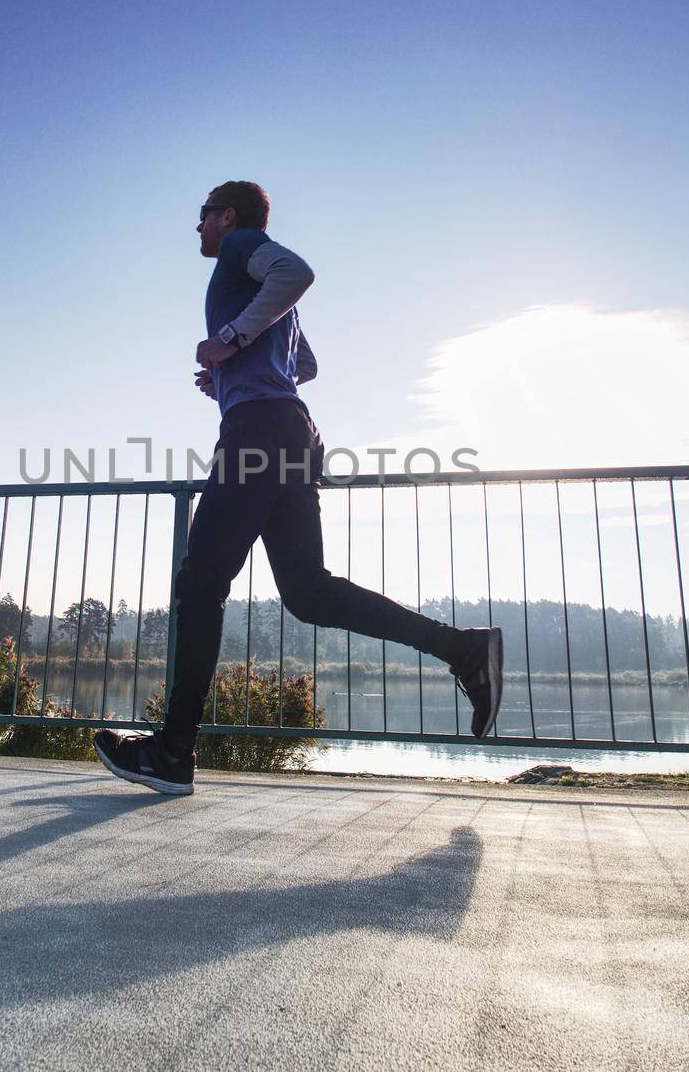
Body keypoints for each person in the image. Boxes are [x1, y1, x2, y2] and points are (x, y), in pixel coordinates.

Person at [94, 181, 502, 795]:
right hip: (290, 429)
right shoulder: (262, 291)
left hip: (259, 429)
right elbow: (303, 365)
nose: (198, 229)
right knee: (308, 593)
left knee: (202, 581)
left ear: (226, 216)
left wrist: (227, 343)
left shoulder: (242, 249)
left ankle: (172, 751)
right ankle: (463, 650)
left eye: (203, 217)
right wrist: (235, 367)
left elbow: (297, 270)